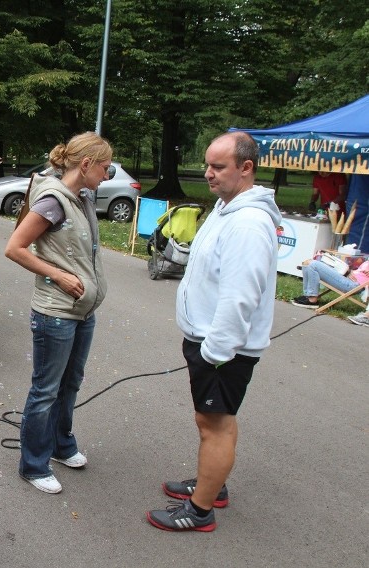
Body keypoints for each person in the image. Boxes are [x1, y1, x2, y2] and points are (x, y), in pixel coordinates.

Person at [146, 132, 281, 532]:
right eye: (207, 165)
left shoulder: (248, 223)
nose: (208, 174)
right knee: (216, 420)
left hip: (222, 348)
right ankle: (212, 484)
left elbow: (241, 297)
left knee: (213, 424)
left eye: (218, 167)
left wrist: (216, 351)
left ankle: (200, 510)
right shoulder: (228, 209)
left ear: (246, 168)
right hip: (211, 341)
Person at [3, 132, 111, 494]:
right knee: (46, 389)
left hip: (82, 310)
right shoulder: (54, 201)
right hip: (55, 312)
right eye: (104, 167)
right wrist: (59, 276)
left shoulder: (82, 198)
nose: (107, 174)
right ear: (85, 165)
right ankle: (33, 465)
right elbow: (15, 248)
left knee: (71, 381)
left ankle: (61, 445)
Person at [291, 257, 369, 308]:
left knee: (313, 264)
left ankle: (312, 299)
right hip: (349, 279)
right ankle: (308, 296)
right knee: (307, 263)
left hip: (354, 286)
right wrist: (350, 271)